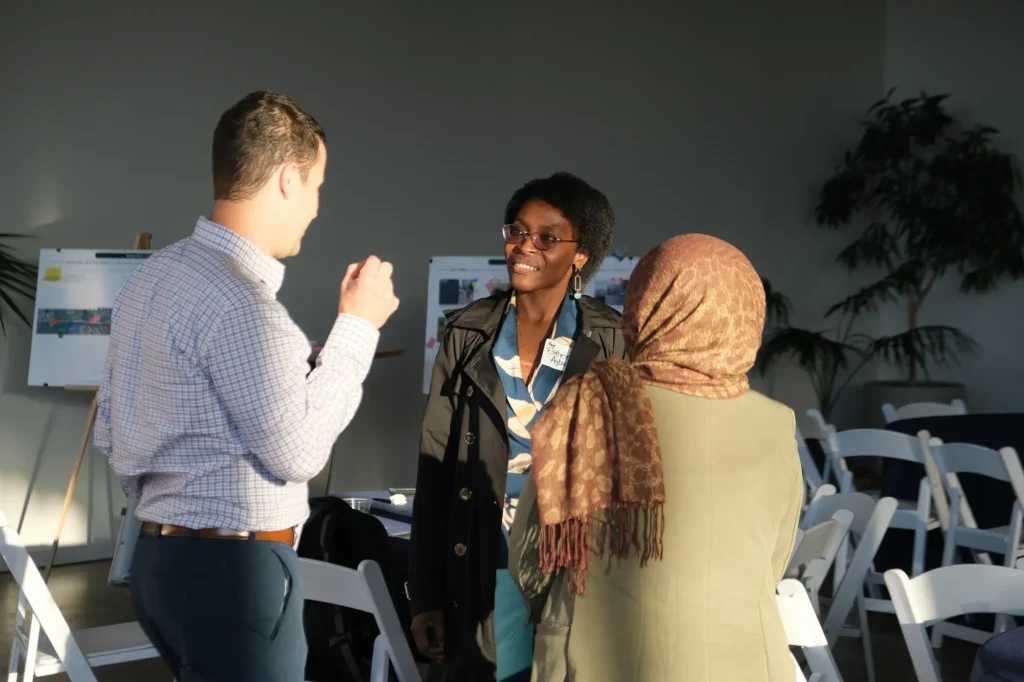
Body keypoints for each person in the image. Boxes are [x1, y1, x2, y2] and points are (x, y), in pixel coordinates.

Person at [93, 90, 399, 682]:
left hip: (159, 561)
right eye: (317, 187)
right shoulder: (241, 303)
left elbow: (113, 429)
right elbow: (301, 452)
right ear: (288, 179)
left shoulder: (153, 277)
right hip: (233, 574)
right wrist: (358, 326)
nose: (316, 208)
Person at [509, 234, 803, 681]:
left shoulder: (591, 403)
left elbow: (532, 560)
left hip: (600, 664)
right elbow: (774, 560)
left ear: (645, 305)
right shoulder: (777, 424)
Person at [407, 172, 624, 681]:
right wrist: (425, 594)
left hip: (576, 571)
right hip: (484, 565)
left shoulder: (611, 342)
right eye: (517, 231)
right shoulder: (466, 334)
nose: (524, 246)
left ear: (581, 255)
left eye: (547, 237)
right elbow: (435, 467)